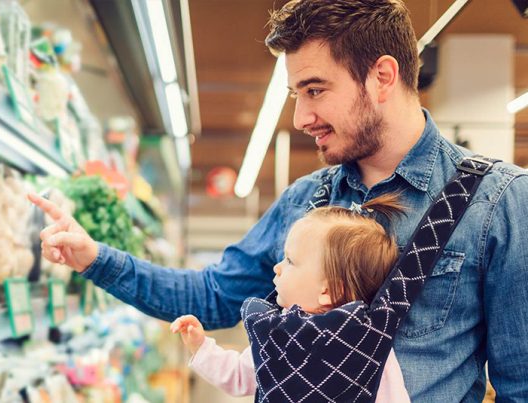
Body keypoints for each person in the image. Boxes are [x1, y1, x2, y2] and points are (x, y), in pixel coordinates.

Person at [29, 0, 528, 400]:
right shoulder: (305, 200)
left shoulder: (497, 201)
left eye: (315, 90)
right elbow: (210, 296)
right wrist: (95, 258)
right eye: (295, 95)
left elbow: (519, 383)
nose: (301, 117)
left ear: (382, 76)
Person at [169, 195, 410, 401]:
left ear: (327, 291)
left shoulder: (365, 342)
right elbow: (241, 375)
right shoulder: (278, 331)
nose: (277, 267)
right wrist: (201, 347)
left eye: (290, 261)